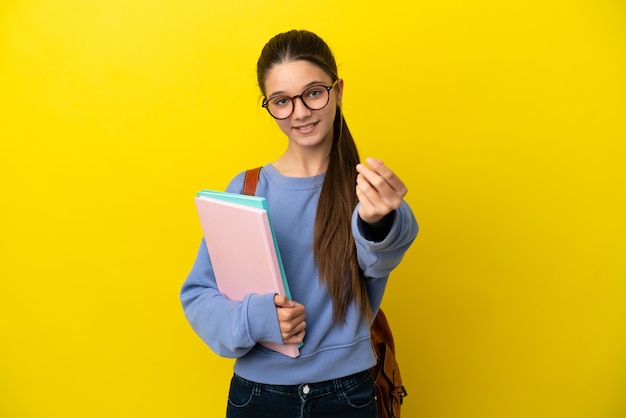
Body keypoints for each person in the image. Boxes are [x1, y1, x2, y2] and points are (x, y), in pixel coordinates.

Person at [180, 29, 418, 418]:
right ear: (268, 105)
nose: (301, 112)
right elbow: (199, 295)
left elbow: (384, 256)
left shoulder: (367, 189)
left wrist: (377, 220)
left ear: (337, 90)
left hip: (348, 395)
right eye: (281, 101)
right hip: (257, 397)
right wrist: (258, 319)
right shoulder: (245, 188)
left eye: (313, 93)